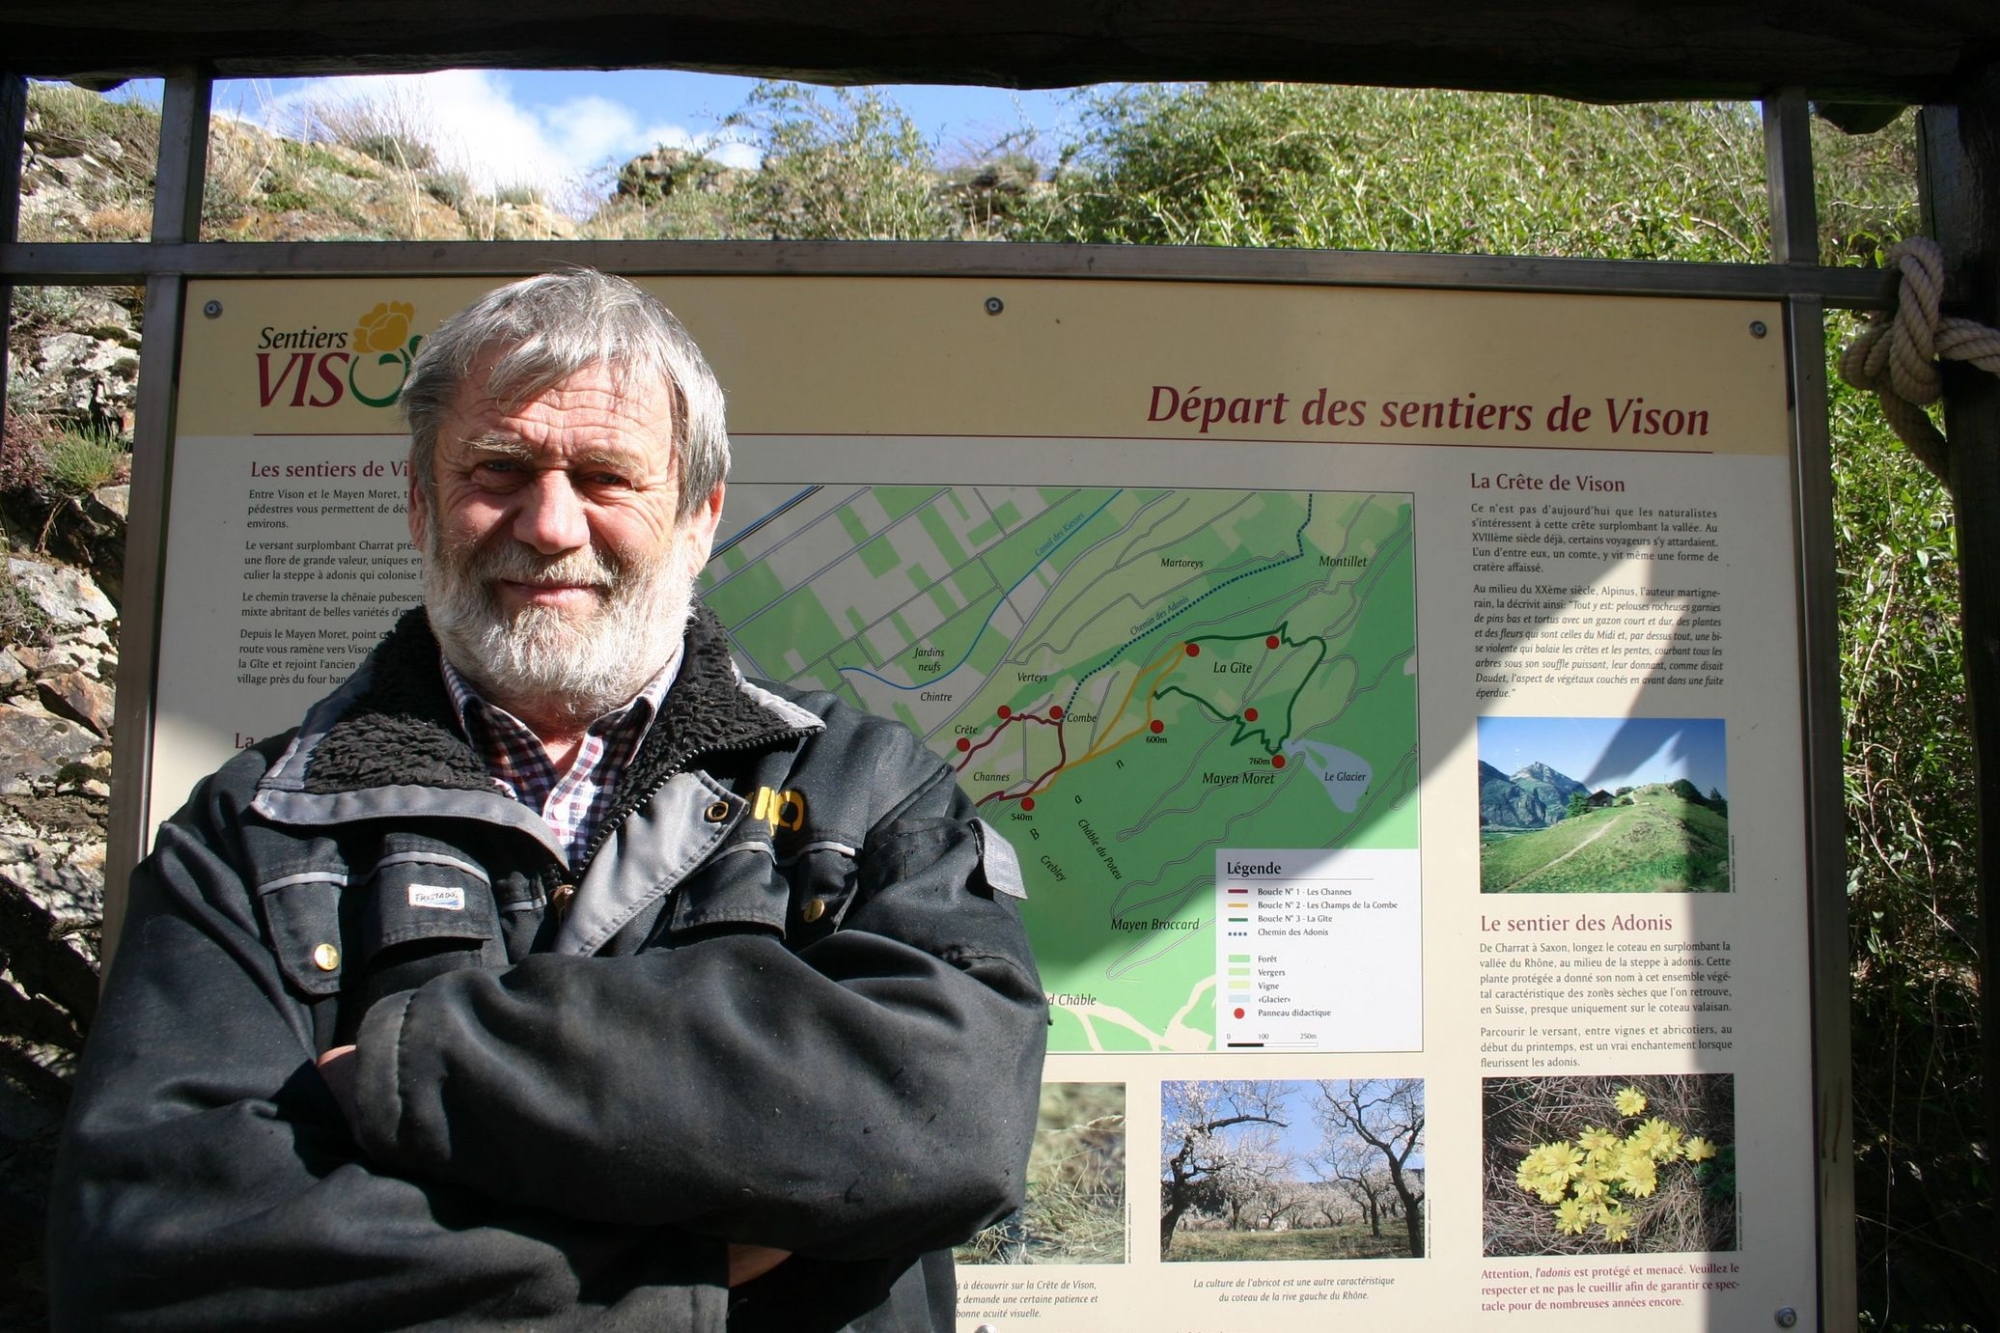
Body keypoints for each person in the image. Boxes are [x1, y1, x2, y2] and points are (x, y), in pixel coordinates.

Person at [47, 270, 1047, 1330]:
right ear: (421, 502)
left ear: (698, 518)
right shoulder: (253, 831)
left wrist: (415, 1068)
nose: (550, 522)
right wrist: (690, 1269)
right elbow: (147, 1249)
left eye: (606, 477)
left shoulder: (867, 789)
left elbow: (952, 1114)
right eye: (499, 468)